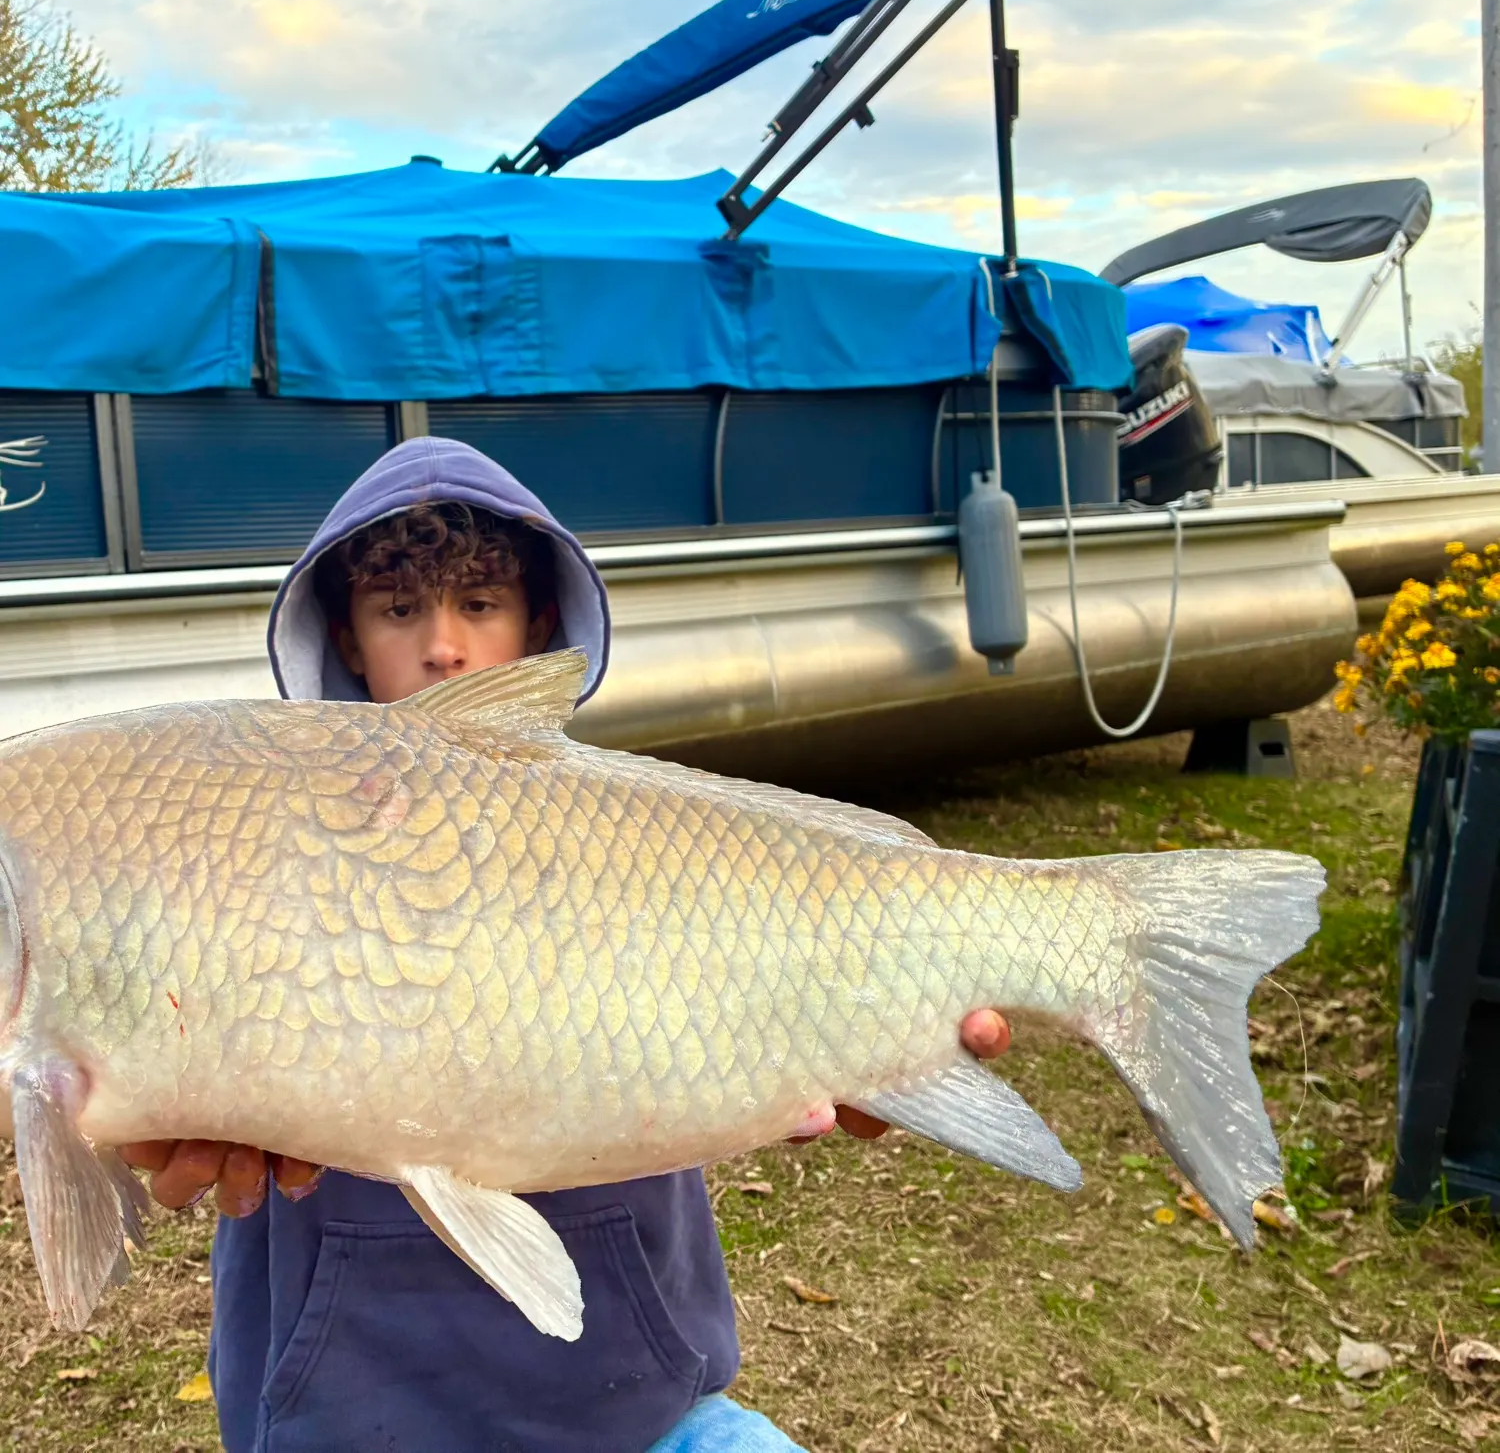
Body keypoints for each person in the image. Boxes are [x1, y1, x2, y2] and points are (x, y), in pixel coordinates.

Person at [121, 436, 1013, 1453]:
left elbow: (796, 1024)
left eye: (480, 606)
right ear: (349, 637)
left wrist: (869, 1049)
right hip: (343, 1418)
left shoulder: (640, 838)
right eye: (401, 609)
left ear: (541, 629)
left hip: (640, 1413)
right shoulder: (246, 839)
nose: (444, 647)